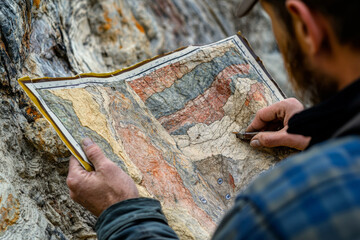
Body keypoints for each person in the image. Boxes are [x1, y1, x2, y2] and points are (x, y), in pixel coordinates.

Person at [66, 0, 360, 239]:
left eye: (275, 27)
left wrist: (122, 211)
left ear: (305, 27)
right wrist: (327, 131)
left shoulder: (274, 213)